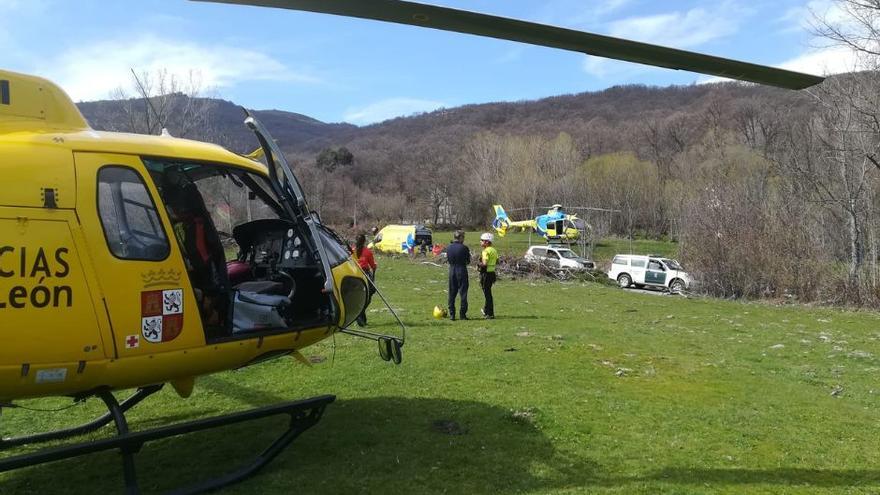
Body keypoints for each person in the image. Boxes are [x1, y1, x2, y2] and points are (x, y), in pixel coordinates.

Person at [446, 230, 470, 320]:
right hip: (462, 270)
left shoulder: (449, 247)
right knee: (463, 293)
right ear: (460, 237)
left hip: (452, 270)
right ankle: (462, 314)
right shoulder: (464, 248)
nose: (463, 239)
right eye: (463, 237)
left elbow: (448, 259)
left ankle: (452, 314)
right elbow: (468, 261)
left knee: (452, 293)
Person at [353, 233, 377, 326]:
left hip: (353, 275)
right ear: (364, 241)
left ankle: (360, 316)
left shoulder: (351, 250)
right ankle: (360, 315)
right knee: (369, 296)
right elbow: (372, 265)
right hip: (364, 275)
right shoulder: (367, 252)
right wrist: (375, 268)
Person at [478, 232, 498, 319]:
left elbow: (485, 264)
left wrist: (478, 264)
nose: (480, 242)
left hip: (485, 274)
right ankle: (486, 311)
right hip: (492, 273)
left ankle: (490, 313)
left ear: (486, 242)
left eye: (482, 240)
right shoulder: (494, 250)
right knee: (488, 293)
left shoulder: (485, 251)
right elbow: (497, 261)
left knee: (487, 294)